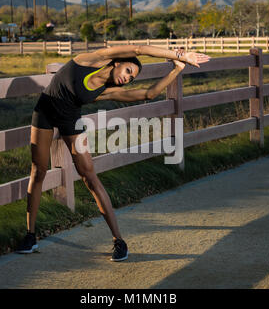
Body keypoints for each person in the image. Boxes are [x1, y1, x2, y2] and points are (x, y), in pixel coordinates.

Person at [16, 45, 211, 261]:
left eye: (131, 79)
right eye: (128, 71)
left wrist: (177, 68)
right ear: (118, 62)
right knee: (39, 170)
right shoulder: (93, 59)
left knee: (89, 176)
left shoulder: (106, 90)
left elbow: (149, 93)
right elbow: (140, 49)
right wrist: (180, 54)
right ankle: (30, 235)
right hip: (44, 111)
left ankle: (119, 241)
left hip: (70, 120)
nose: (127, 79)